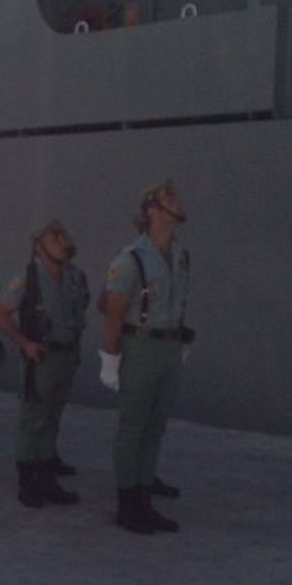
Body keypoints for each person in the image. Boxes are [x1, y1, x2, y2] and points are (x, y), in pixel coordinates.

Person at [99, 180, 193, 535]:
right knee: (133, 428)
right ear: (152, 210)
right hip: (139, 348)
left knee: (155, 427)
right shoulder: (130, 259)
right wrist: (109, 359)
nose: (178, 203)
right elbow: (112, 313)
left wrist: (181, 341)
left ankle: (144, 498)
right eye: (169, 199)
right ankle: (128, 505)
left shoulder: (181, 255)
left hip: (168, 347)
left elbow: (176, 303)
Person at [0, 219, 90, 508]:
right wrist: (24, 343)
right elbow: (2, 314)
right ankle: (28, 482)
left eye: (63, 237)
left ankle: (47, 477)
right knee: (33, 418)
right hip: (41, 357)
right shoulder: (29, 278)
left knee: (52, 417)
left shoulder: (74, 277)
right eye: (54, 238)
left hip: (66, 356)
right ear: (39, 246)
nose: (62, 242)